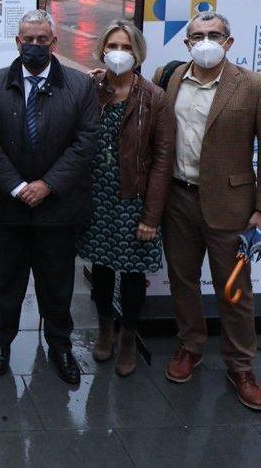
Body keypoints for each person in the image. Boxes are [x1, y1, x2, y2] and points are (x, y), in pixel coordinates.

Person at [155, 9, 261, 412]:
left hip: (231, 206)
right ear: (187, 43)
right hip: (178, 200)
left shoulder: (254, 87)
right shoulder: (171, 77)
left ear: (229, 42)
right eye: (197, 35)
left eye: (214, 34)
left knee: (234, 291)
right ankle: (190, 346)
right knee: (182, 280)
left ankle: (241, 365)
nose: (205, 41)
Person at [0, 10, 98, 384]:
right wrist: (16, 186)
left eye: (42, 40)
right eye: (28, 39)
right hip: (8, 206)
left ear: (53, 43)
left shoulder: (79, 86)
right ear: (17, 41)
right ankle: (1, 344)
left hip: (58, 207)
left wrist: (47, 185)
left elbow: (85, 141)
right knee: (6, 282)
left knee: (57, 283)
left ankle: (59, 346)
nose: (34, 46)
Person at [79, 20, 174, 377]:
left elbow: (163, 159)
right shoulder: (90, 88)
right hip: (97, 197)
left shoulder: (154, 97)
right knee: (101, 269)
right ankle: (105, 328)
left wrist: (151, 216)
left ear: (138, 54)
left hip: (134, 198)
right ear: (102, 49)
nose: (119, 53)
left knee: (133, 275)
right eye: (112, 46)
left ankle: (129, 337)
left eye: (126, 47)